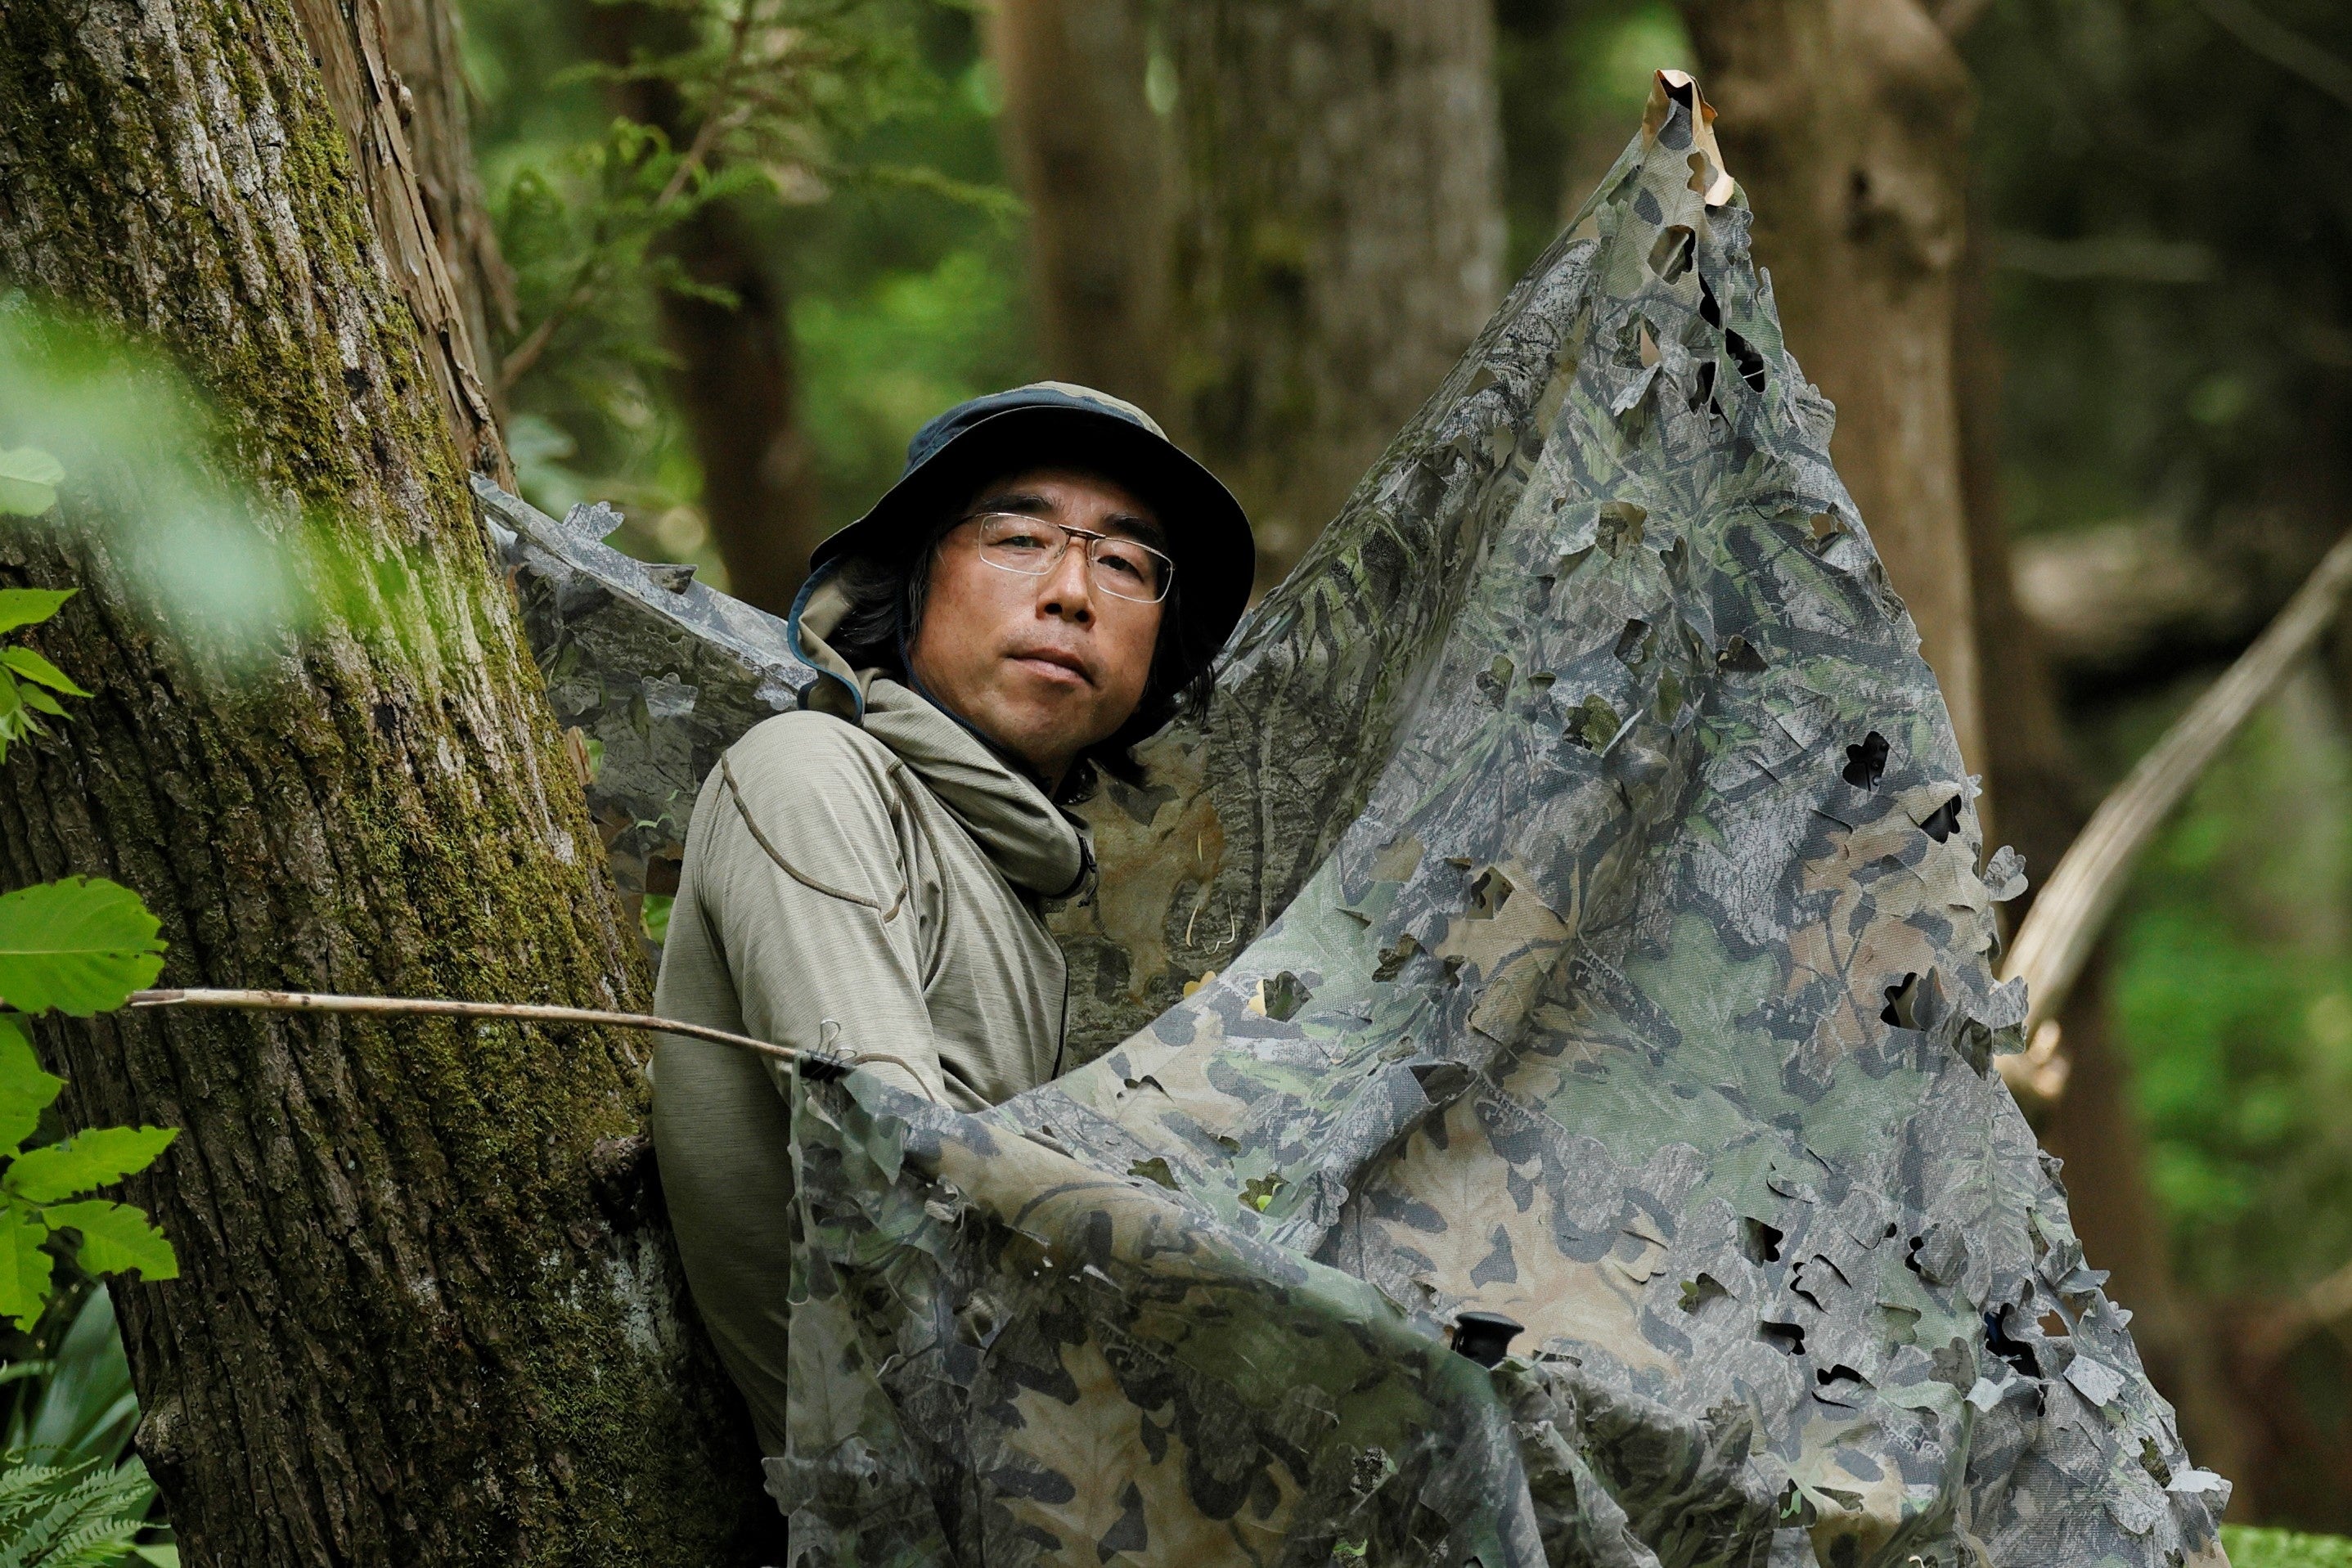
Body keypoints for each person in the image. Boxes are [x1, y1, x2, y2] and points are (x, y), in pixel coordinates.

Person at [649, 383, 1255, 1459]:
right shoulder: (815, 777)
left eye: (1125, 563)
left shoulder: (1036, 908)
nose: (1074, 589)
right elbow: (897, 1202)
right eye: (1018, 535)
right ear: (911, 582)